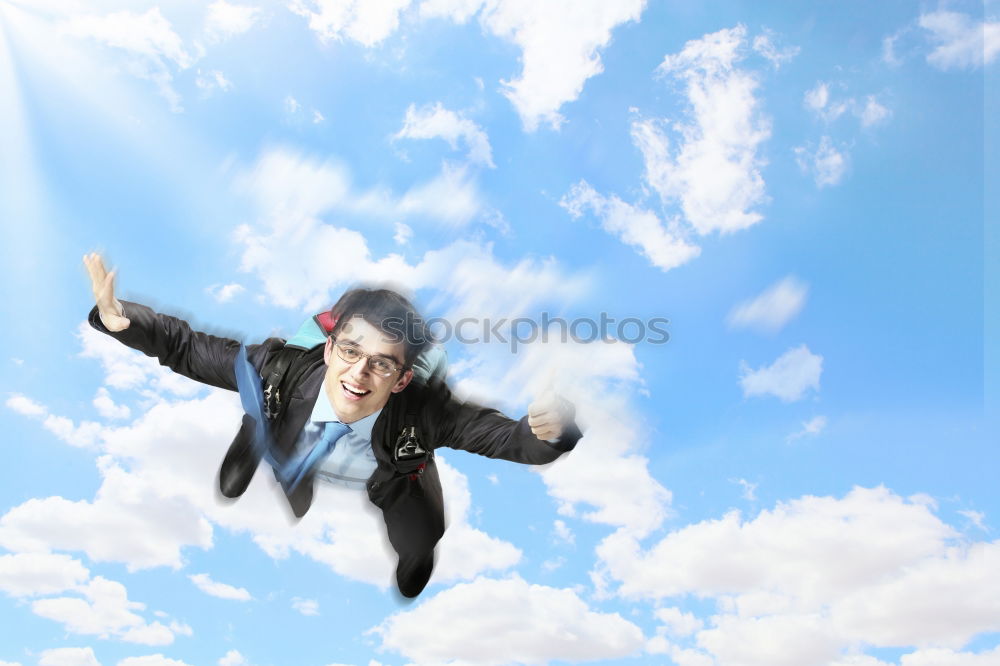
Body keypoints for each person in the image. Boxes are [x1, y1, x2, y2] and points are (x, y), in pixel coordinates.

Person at [83, 253, 582, 598]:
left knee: (420, 537)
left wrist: (550, 431)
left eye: (382, 364)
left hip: (392, 470)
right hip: (284, 417)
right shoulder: (276, 369)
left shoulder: (428, 412)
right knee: (264, 412)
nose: (359, 374)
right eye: (349, 351)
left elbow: (507, 438)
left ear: (404, 378)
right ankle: (254, 434)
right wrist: (121, 319)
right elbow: (187, 346)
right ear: (328, 348)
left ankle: (416, 554)